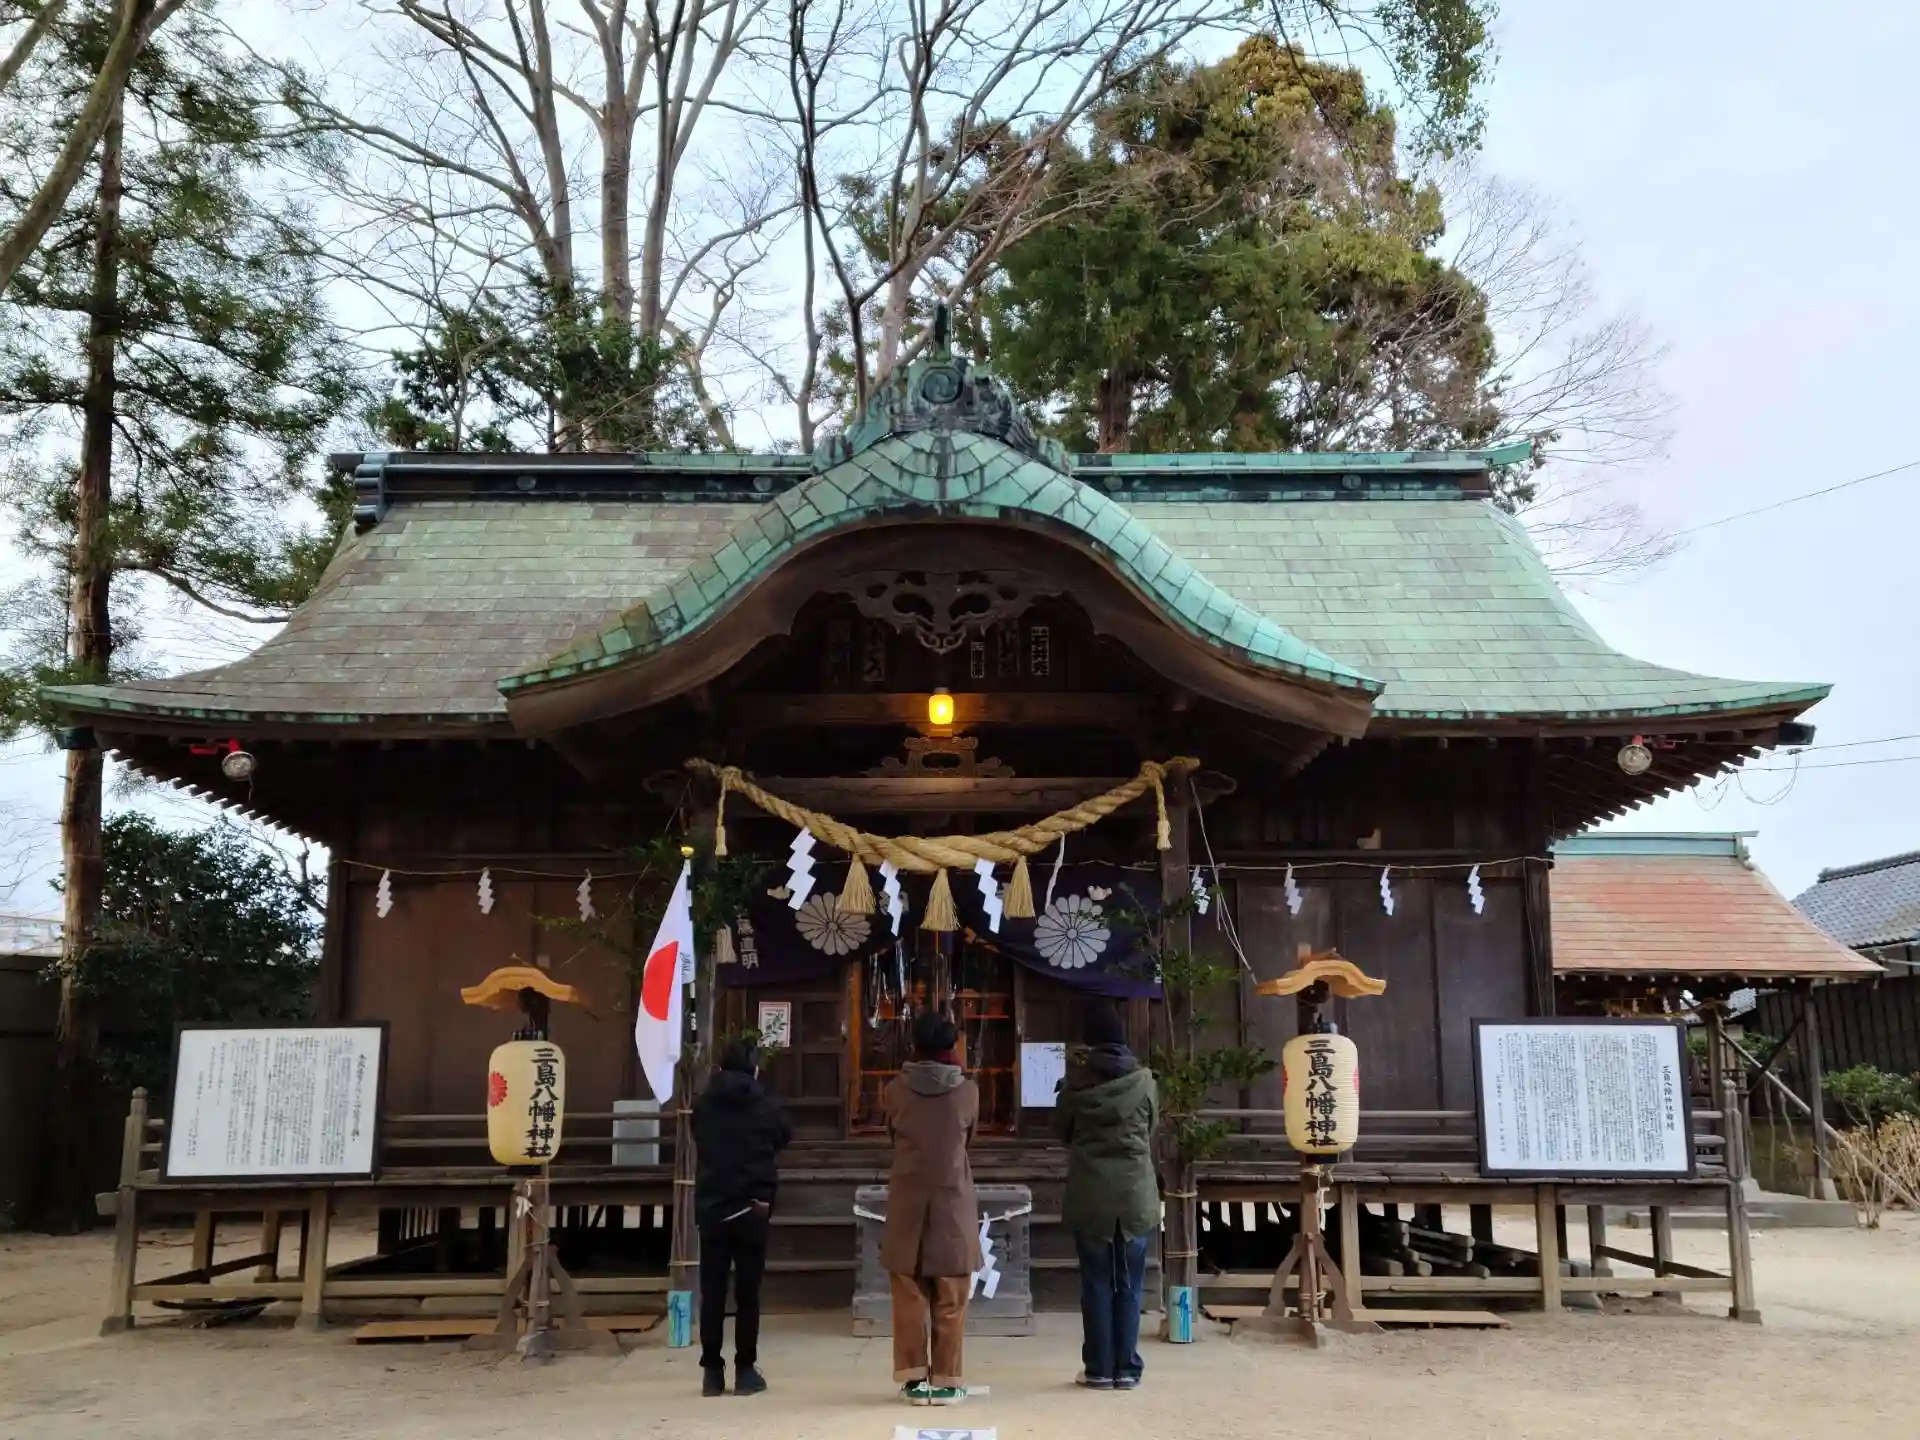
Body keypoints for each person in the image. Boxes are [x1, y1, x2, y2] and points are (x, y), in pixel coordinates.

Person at [1053, 999, 1160, 1392]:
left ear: (1090, 1041)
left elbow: (1062, 1132)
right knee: (1129, 1283)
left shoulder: (1074, 1086)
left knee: (1096, 1283)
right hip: (1134, 1195)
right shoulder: (1145, 1082)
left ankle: (1098, 1367)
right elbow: (1151, 1128)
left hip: (1091, 1193)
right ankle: (1127, 1368)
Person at [882, 1007, 981, 1407]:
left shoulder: (895, 1090)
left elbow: (891, 1135)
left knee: (908, 1295)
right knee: (952, 1297)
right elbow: (968, 1139)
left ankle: (913, 1380)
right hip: (952, 1200)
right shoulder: (968, 1092)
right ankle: (946, 1381)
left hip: (907, 1199)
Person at [691, 1036, 793, 1398]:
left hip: (713, 1205)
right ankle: (745, 1369)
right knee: (748, 1292)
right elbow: (784, 1136)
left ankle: (711, 1372)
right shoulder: (765, 1102)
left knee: (713, 1290)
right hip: (753, 1204)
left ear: (720, 1066)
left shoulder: (704, 1103)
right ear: (754, 1067)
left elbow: (698, 1138)